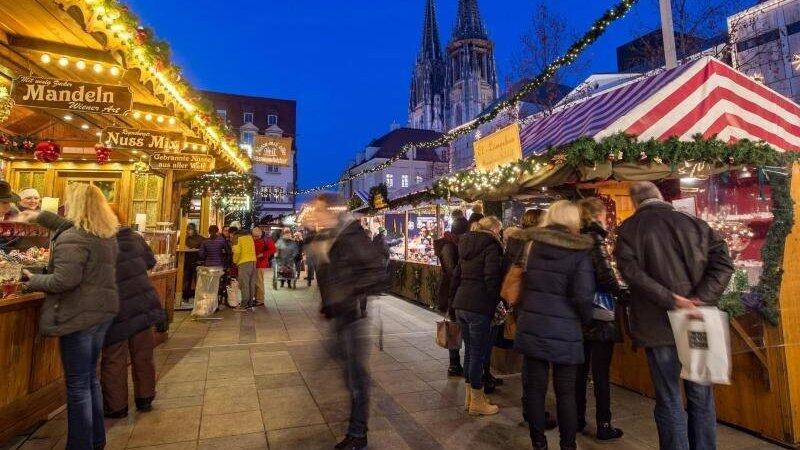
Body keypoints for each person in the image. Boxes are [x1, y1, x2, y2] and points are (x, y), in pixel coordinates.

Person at [615, 182, 734, 450]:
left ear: (634, 202)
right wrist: (700, 299)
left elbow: (632, 275)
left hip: (656, 327)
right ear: (660, 196)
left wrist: (671, 300)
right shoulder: (695, 224)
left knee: (668, 398)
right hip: (696, 322)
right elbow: (724, 264)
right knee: (701, 395)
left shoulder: (629, 230)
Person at [21, 183, 119, 450]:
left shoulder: (74, 237)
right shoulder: (104, 234)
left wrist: (32, 280)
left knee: (77, 385)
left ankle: (79, 444)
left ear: (74, 206)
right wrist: (40, 216)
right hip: (100, 314)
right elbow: (68, 229)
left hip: (78, 315)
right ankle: (96, 439)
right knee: (90, 379)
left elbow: (64, 280)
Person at [308, 194, 388, 450]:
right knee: (349, 375)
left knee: (357, 378)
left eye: (319, 210)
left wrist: (348, 295)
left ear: (332, 211)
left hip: (352, 316)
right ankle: (356, 425)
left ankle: (358, 434)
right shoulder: (333, 236)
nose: (315, 214)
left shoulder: (351, 236)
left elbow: (376, 272)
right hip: (340, 314)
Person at [514, 200, 595, 450]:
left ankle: (538, 444)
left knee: (535, 391)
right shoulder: (579, 251)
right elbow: (584, 295)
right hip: (566, 329)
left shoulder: (531, 245)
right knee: (566, 393)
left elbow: (521, 283)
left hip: (533, 325)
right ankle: (568, 445)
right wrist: (585, 320)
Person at [101, 207, 164, 418]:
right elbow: (151, 262)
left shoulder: (98, 241)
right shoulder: (135, 238)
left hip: (115, 306)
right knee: (143, 353)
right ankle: (145, 397)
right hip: (141, 302)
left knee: (114, 357)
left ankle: (116, 406)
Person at [575, 197, 625, 441]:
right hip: (600, 314)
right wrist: (622, 292)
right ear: (597, 216)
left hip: (579, 313)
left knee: (579, 372)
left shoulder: (574, 239)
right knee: (601, 374)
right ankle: (604, 424)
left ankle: (577, 418)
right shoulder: (595, 239)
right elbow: (605, 275)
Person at [451, 216, 504, 416]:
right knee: (478, 354)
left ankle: (470, 398)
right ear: (494, 230)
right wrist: (495, 303)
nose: (499, 235)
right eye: (499, 231)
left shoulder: (464, 243)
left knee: (470, 352)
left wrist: (451, 302)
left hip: (461, 303)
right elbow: (492, 278)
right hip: (479, 305)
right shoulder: (491, 246)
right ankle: (477, 401)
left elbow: (456, 275)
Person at [433, 210, 469, 377]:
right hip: (452, 291)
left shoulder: (454, 243)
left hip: (457, 290)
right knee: (454, 327)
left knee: (458, 326)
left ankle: (457, 364)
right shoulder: (449, 245)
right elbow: (451, 271)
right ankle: (454, 364)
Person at [232, 227, 257, 310]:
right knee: (251, 283)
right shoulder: (249, 238)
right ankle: (250, 303)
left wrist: (235, 261)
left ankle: (244, 304)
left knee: (244, 284)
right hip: (253, 262)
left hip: (244, 263)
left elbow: (237, 252)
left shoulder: (238, 238)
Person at [252, 226, 276, 306]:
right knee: (255, 282)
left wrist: (262, 254)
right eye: (253, 236)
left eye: (256, 236)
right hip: (253, 262)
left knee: (259, 282)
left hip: (260, 263)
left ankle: (260, 300)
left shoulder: (267, 239)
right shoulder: (254, 238)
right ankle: (256, 298)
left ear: (260, 234)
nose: (255, 238)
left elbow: (273, 249)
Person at [182, 223, 205, 301]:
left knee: (198, 280)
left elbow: (203, 249)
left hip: (197, 262)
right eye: (187, 229)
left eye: (189, 229)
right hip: (187, 261)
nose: (188, 231)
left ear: (194, 230)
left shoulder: (201, 238)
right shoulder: (185, 238)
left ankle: (198, 297)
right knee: (187, 280)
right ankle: (186, 297)